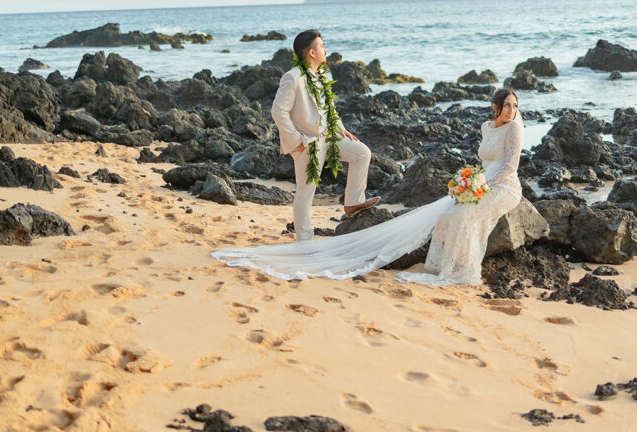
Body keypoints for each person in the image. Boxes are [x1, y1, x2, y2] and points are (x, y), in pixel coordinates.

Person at [212, 89, 524, 286]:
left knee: (460, 215)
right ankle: (443, 265)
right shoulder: (486, 126)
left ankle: (462, 271)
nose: (511, 110)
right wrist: (471, 181)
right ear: (495, 107)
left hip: (504, 186)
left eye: (514, 106)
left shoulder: (515, 129)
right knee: (447, 211)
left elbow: (509, 166)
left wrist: (479, 185)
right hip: (479, 182)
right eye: (506, 105)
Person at [270, 30, 379, 242]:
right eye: (321, 46)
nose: (325, 49)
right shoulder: (293, 77)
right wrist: (296, 140)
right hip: (307, 142)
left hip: (328, 137)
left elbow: (328, 107)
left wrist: (340, 127)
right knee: (306, 191)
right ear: (311, 52)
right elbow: (278, 111)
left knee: (362, 152)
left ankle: (353, 202)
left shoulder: (320, 75)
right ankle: (304, 241)